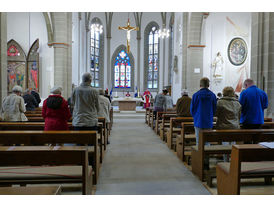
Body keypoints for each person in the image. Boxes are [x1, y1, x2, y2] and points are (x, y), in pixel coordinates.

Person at [216, 86, 241, 162]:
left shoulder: (220, 102)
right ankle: (233, 161)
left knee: (225, 144)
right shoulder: (237, 103)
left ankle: (225, 161)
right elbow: (239, 116)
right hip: (234, 127)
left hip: (223, 126)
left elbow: (217, 114)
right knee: (233, 144)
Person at [190, 77, 217, 145]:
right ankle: (207, 155)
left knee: (198, 141)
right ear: (208, 85)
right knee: (207, 140)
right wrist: (210, 115)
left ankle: (199, 155)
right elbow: (214, 109)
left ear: (200, 85)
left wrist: (195, 116)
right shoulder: (212, 95)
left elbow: (192, 109)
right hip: (208, 121)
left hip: (198, 120)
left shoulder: (196, 95)